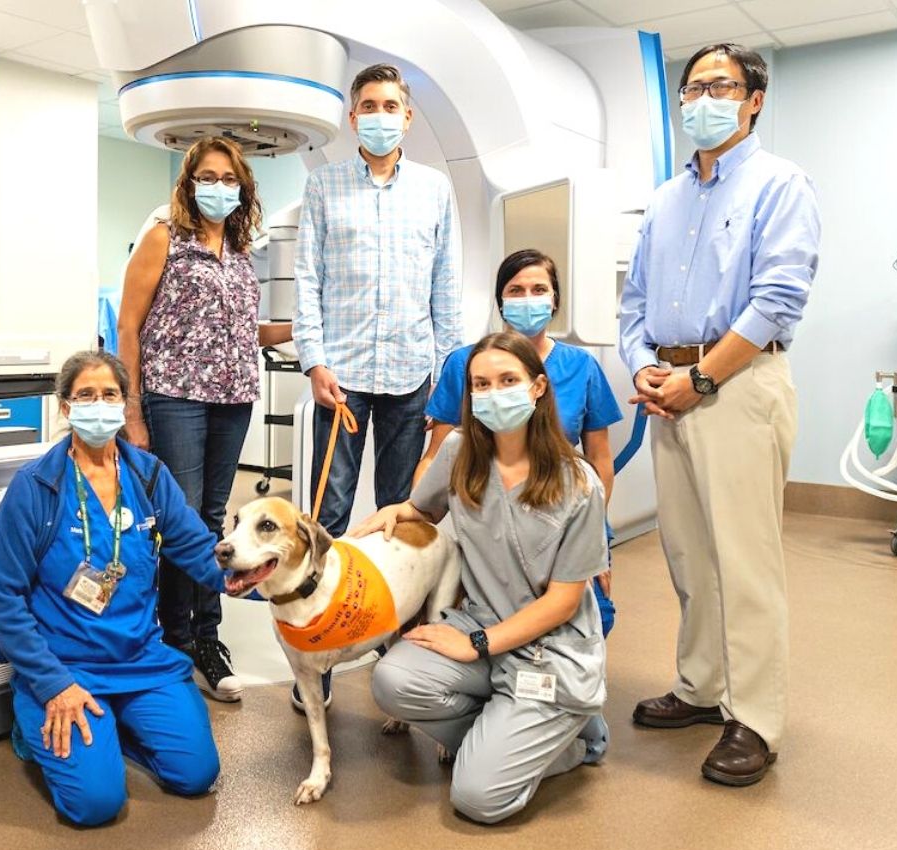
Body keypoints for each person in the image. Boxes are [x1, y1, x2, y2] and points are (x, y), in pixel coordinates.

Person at [619, 43, 819, 786]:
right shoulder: (666, 200)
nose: (703, 98)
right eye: (693, 87)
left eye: (720, 86)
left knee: (744, 560)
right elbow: (633, 302)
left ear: (753, 98)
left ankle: (756, 719)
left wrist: (700, 378)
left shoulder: (779, 184)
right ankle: (702, 687)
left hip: (736, 384)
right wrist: (643, 364)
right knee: (688, 555)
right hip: (667, 384)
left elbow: (777, 299)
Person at [355, 332, 609, 825]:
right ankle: (512, 733)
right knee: (393, 681)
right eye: (481, 385)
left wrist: (477, 642)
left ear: (537, 387)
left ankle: (574, 741)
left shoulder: (579, 484)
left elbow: (562, 603)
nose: (494, 394)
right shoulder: (458, 452)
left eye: (508, 380)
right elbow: (421, 509)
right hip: (481, 625)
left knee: (477, 799)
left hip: (548, 651)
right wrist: (395, 512)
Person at [0, 351, 235, 826]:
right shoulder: (36, 487)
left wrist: (265, 578)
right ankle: (35, 718)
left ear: (125, 404)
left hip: (142, 660)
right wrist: (55, 684)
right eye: (85, 395)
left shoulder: (147, 475)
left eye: (109, 395)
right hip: (66, 668)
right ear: (64, 407)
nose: (98, 405)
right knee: (95, 805)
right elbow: (4, 601)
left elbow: (201, 552)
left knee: (196, 775)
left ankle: (114, 726)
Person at [292, 62, 461, 709]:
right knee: (327, 519)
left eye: (391, 105)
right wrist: (314, 361)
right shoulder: (325, 187)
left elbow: (445, 284)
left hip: (412, 374)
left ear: (407, 116)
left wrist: (446, 374)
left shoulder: (434, 190)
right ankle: (320, 661)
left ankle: (399, 657)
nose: (380, 114)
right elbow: (307, 280)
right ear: (352, 115)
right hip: (343, 377)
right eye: (369, 104)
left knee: (403, 517)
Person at [117, 137, 290, 703]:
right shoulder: (163, 238)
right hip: (175, 395)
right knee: (181, 517)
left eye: (228, 177)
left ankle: (207, 638)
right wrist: (133, 409)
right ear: (189, 181)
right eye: (208, 176)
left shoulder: (241, 252)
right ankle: (176, 641)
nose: (218, 186)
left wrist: (297, 329)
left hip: (233, 396)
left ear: (243, 188)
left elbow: (244, 332)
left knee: (215, 519)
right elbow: (128, 326)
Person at [416, 249, 622, 635]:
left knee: (593, 618)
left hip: (559, 515)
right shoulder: (465, 364)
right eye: (516, 290)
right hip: (487, 521)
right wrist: (417, 513)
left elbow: (600, 462)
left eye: (538, 289)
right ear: (501, 302)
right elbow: (434, 457)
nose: (528, 299)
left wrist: (593, 541)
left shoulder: (582, 366)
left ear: (555, 300)